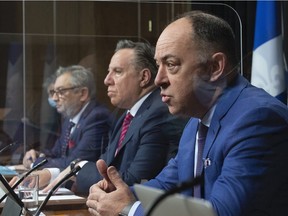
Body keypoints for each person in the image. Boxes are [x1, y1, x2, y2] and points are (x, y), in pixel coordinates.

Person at [86, 11, 288, 216]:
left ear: (215, 67)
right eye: (158, 66)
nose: (158, 80)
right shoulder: (196, 120)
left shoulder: (258, 119)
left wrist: (128, 208)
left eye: (171, 64)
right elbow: (167, 185)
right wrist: (120, 193)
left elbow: (220, 213)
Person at [31, 40, 187, 195]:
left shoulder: (158, 112)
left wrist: (78, 167)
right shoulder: (126, 115)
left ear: (144, 77)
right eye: (108, 72)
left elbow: (131, 181)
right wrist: (59, 174)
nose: (107, 80)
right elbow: (104, 166)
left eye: (117, 71)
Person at [22, 65, 112, 170]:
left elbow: (75, 163)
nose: (55, 98)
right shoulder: (69, 118)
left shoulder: (97, 118)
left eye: (61, 91)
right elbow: (56, 153)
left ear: (82, 93)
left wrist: (35, 163)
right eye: (53, 92)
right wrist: (36, 156)